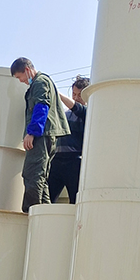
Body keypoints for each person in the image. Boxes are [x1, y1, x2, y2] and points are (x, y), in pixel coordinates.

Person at [10, 58, 70, 213]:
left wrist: (32, 132)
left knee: (32, 174)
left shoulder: (39, 82)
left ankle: (32, 211)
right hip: (48, 135)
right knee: (41, 177)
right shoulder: (44, 81)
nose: (21, 81)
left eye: (20, 77)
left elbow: (41, 106)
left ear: (27, 69)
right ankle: (44, 212)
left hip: (42, 135)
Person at [48, 75, 89, 203]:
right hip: (57, 159)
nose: (76, 98)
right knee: (47, 199)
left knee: (75, 200)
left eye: (80, 95)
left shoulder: (88, 113)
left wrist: (56, 92)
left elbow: (77, 108)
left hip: (74, 161)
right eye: (74, 94)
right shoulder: (65, 115)